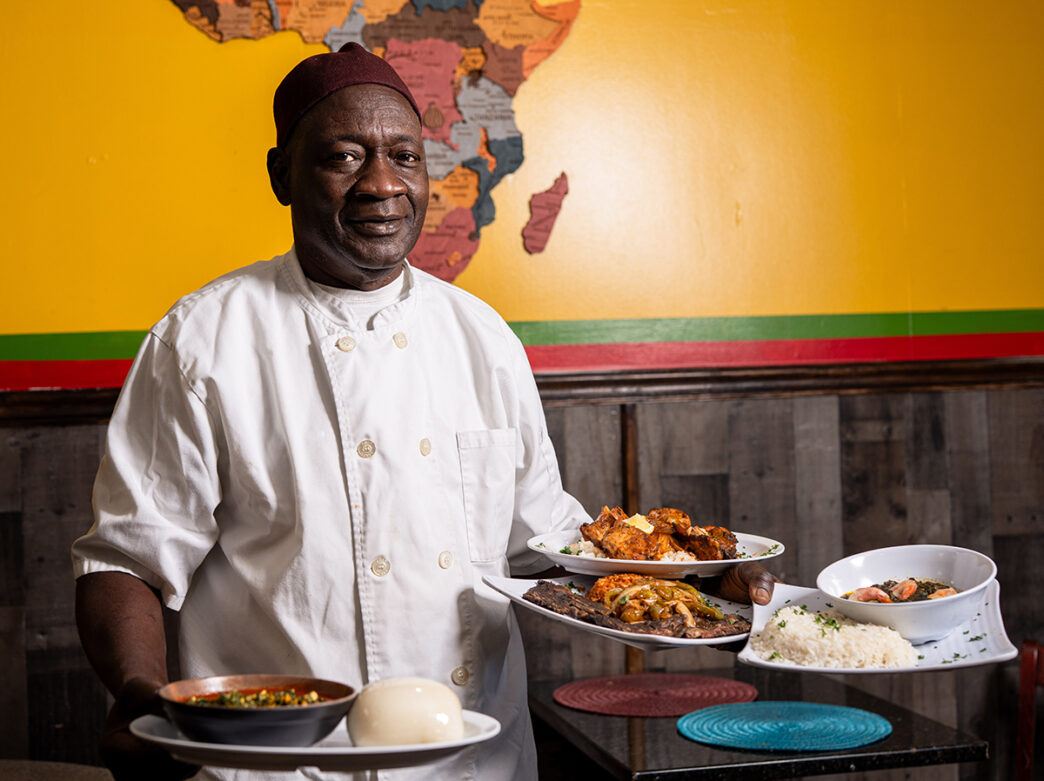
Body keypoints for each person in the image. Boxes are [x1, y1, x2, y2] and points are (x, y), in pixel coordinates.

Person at [72, 43, 775, 781]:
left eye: (404, 156)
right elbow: (127, 559)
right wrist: (138, 694)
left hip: (473, 762)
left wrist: (700, 595)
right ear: (282, 175)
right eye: (344, 157)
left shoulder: (482, 337)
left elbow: (547, 548)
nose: (381, 183)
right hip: (282, 767)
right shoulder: (202, 340)